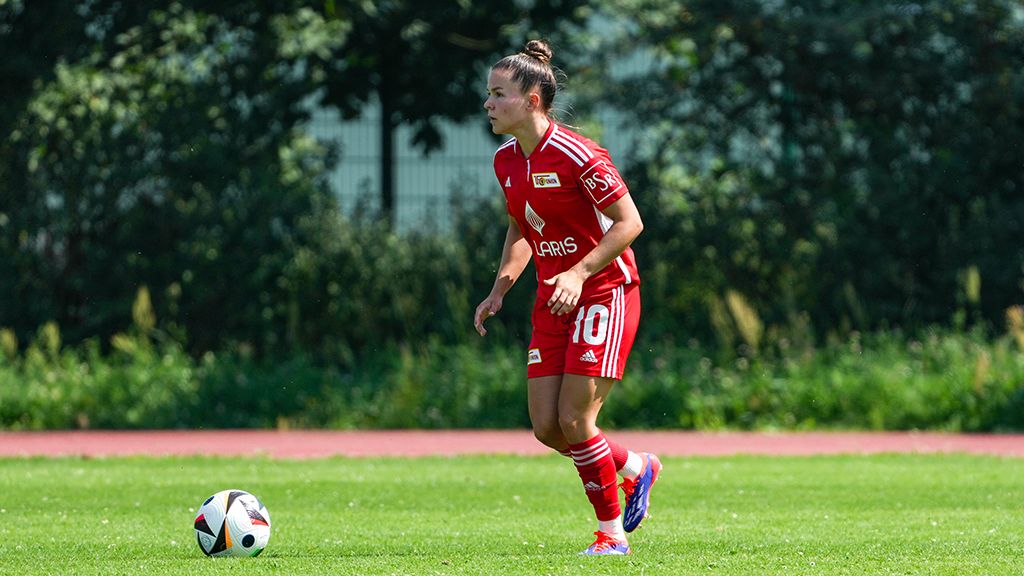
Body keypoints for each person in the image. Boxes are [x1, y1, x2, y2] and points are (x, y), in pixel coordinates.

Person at [474, 39, 662, 556]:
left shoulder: (579, 153)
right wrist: (500, 289)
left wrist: (579, 272)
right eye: (487, 94)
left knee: (578, 421)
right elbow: (520, 227)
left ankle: (611, 537)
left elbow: (631, 223)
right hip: (554, 300)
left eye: (498, 94)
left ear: (533, 98)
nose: (488, 104)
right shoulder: (506, 160)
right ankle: (635, 466)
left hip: (604, 291)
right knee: (548, 428)